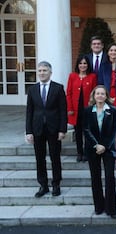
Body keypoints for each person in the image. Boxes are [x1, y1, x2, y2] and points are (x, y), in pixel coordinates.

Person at [26, 61, 67, 198]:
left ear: (50, 72)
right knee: (40, 158)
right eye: (40, 71)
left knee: (55, 157)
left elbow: (63, 110)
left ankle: (56, 184)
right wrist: (29, 131)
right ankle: (43, 185)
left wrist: (62, 129)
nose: (42, 73)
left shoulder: (58, 88)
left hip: (54, 128)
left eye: (44, 70)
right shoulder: (32, 90)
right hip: (37, 129)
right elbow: (29, 112)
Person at [83, 85, 116, 219]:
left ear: (106, 96)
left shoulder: (112, 111)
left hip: (108, 149)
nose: (100, 96)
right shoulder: (87, 111)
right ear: (93, 95)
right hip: (93, 149)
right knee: (95, 177)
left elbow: (114, 130)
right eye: (97, 93)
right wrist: (96, 145)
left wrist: (104, 145)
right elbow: (86, 129)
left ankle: (111, 209)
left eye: (102, 94)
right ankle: (99, 207)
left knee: (110, 178)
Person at [66, 55, 97, 162]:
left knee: (88, 132)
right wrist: (69, 108)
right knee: (78, 132)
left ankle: (87, 152)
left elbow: (94, 93)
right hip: (75, 110)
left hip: (88, 109)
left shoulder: (92, 76)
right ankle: (79, 152)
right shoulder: (72, 76)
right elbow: (69, 93)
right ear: (77, 65)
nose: (82, 65)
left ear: (88, 65)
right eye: (80, 63)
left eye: (85, 63)